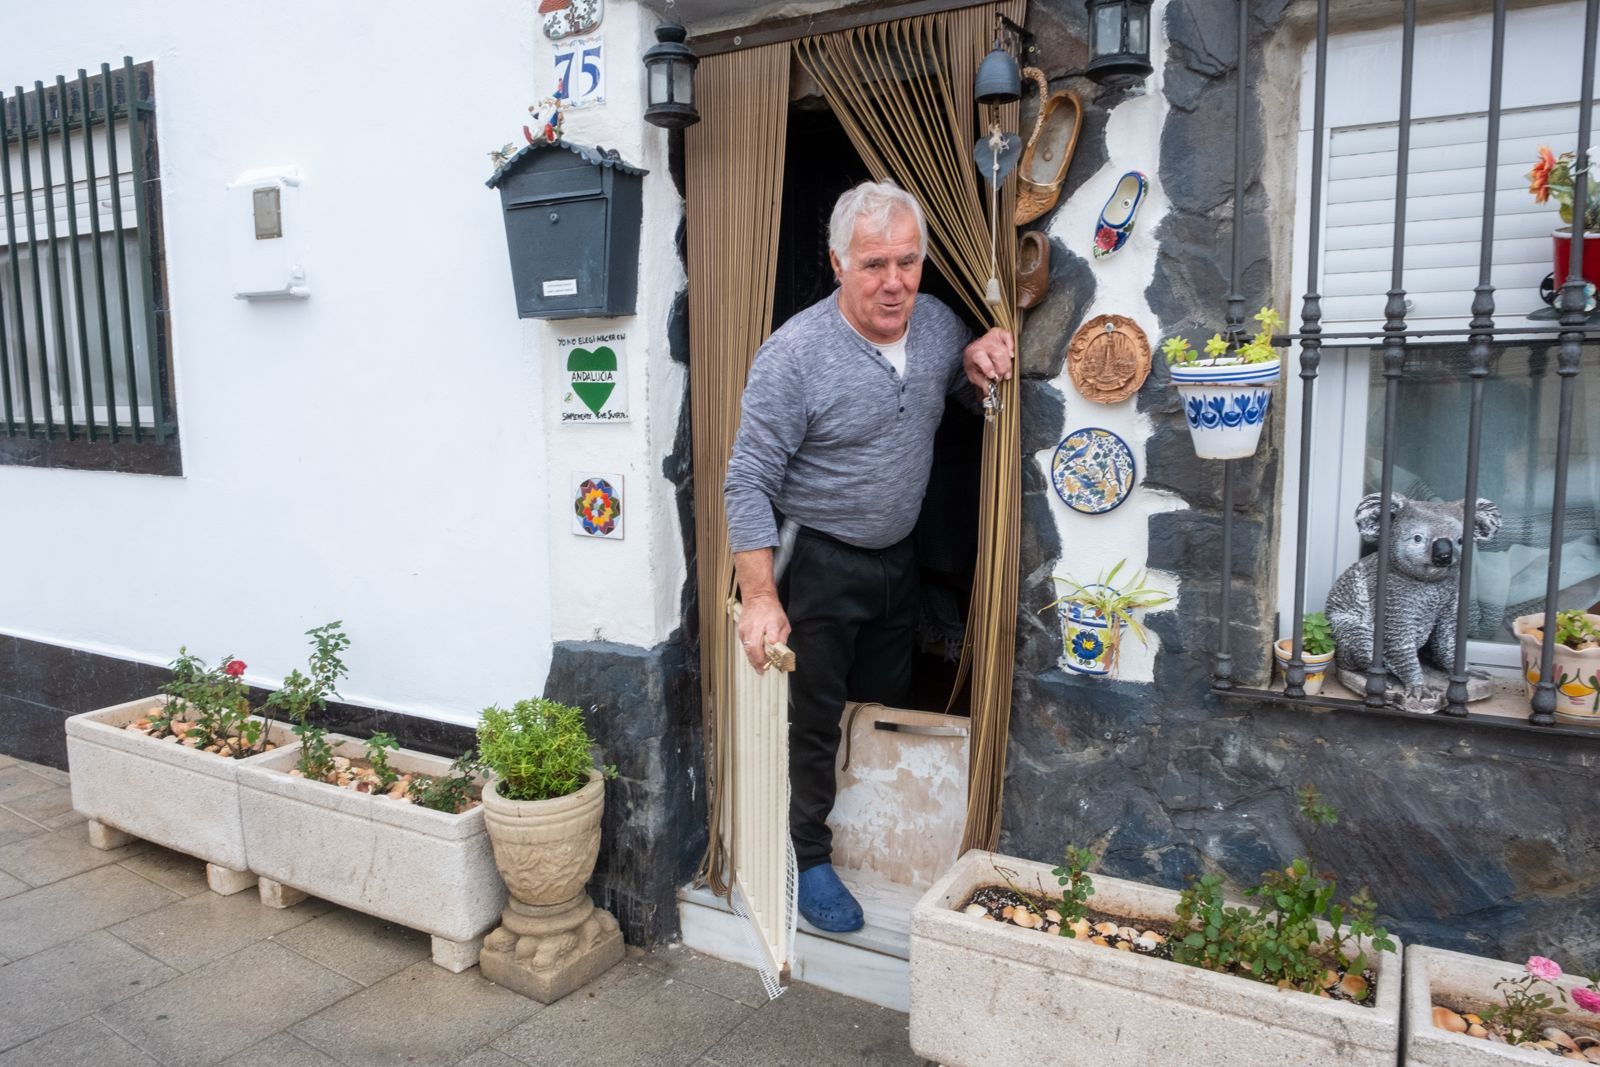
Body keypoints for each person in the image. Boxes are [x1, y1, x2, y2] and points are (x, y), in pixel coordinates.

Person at [723, 180, 1014, 932]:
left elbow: (948, 383)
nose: (894, 282)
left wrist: (978, 355)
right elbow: (747, 477)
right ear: (837, 263)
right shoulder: (795, 355)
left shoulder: (940, 323)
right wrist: (761, 596)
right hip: (817, 558)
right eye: (875, 263)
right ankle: (807, 857)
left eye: (908, 262)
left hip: (898, 557)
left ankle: (871, 838)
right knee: (814, 719)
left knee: (884, 703)